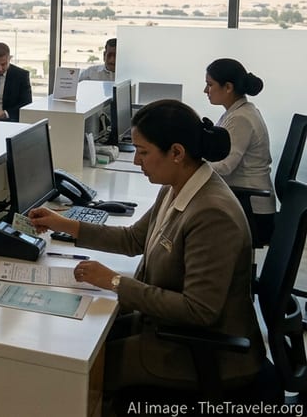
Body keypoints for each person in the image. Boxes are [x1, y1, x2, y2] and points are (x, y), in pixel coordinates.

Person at [28, 100, 264, 392]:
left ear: (176, 152)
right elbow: (134, 239)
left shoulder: (212, 214)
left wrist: (114, 281)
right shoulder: (179, 185)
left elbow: (199, 310)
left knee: (78, 378)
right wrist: (61, 223)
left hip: (204, 354)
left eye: (143, 152)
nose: (136, 161)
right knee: (72, 346)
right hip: (166, 329)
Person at [204, 58, 274, 242]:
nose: (205, 91)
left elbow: (226, 166)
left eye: (209, 85)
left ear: (228, 87)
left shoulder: (240, 118)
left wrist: (191, 167)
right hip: (243, 200)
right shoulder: (237, 111)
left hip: (252, 210)